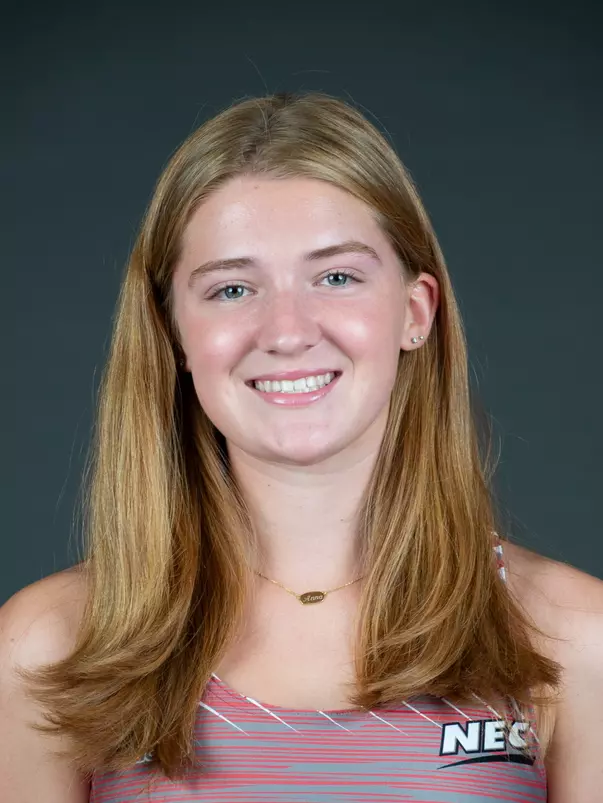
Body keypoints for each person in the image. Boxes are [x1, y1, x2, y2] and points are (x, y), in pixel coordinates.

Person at [1, 91, 602, 802]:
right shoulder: (49, 645)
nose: (286, 330)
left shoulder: (571, 639)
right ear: (173, 334)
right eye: (231, 288)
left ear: (414, 313)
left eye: (336, 277)